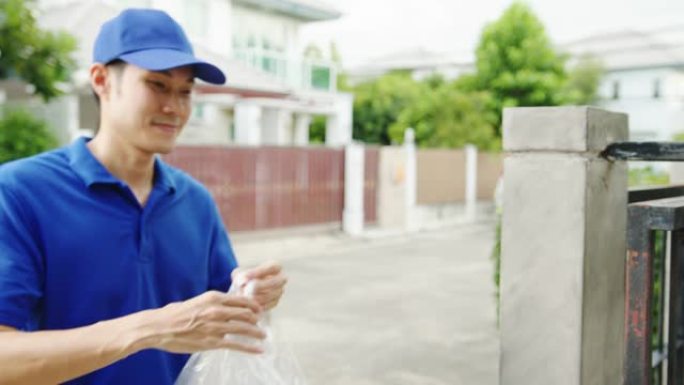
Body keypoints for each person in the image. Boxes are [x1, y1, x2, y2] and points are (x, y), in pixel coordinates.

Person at [0, 8, 287, 385]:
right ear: (101, 80)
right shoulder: (20, 192)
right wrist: (150, 329)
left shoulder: (195, 203)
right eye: (157, 85)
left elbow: (221, 325)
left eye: (185, 91)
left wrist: (252, 296)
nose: (175, 107)